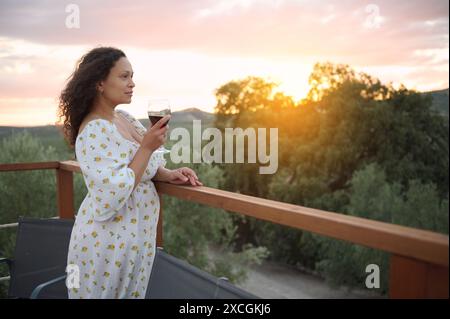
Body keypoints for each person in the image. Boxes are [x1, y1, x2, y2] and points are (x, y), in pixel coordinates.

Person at [58, 46, 202, 299]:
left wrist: (167, 174)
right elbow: (111, 196)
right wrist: (147, 145)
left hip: (136, 241)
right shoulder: (93, 131)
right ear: (100, 83)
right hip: (107, 243)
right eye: (124, 77)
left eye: (132, 76)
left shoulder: (123, 117)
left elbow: (138, 167)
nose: (132, 83)